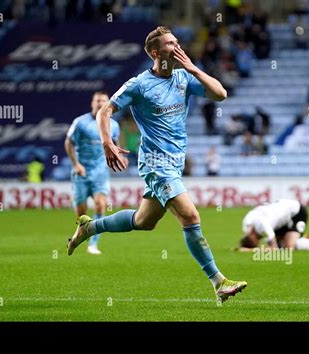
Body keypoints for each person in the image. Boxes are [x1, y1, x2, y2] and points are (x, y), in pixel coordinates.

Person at [67, 26, 247, 302]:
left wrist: (194, 69)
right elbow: (106, 111)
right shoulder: (139, 85)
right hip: (155, 162)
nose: (177, 46)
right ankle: (218, 281)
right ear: (155, 52)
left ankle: (90, 228)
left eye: (177, 41)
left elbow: (220, 94)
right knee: (190, 216)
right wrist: (107, 142)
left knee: (143, 221)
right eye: (170, 43)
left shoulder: (184, 78)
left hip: (174, 163)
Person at [64, 91, 121, 255]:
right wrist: (75, 164)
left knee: (100, 204)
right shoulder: (80, 122)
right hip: (81, 171)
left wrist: (119, 157)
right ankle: (79, 235)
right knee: (81, 213)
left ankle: (93, 244)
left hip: (100, 172)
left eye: (104, 100)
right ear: (92, 103)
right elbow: (68, 142)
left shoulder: (114, 125)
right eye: (97, 100)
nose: (100, 103)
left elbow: (114, 144)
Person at [235, 199, 309, 252]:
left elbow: (273, 249)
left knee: (288, 248)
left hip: (296, 213)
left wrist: (250, 250)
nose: (258, 241)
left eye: (256, 242)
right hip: (280, 220)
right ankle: (303, 237)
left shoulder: (264, 226)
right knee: (281, 246)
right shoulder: (247, 224)